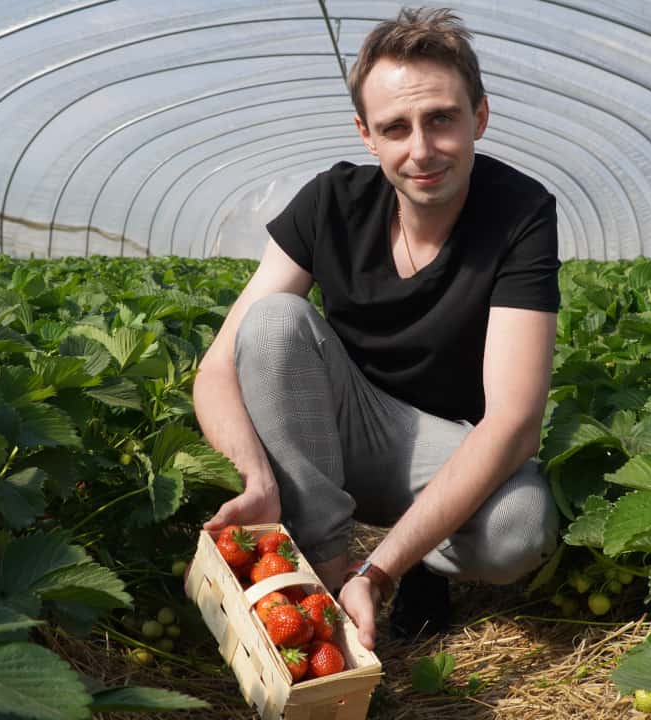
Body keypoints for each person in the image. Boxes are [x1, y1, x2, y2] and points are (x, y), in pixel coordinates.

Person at [194, 7, 560, 651]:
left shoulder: (519, 213)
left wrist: (382, 568)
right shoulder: (330, 204)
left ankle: (411, 568)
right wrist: (257, 480)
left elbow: (514, 423)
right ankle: (322, 567)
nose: (421, 150)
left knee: (520, 526)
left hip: (443, 444)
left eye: (441, 119)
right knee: (273, 320)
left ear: (479, 116)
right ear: (367, 134)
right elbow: (218, 367)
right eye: (395, 127)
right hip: (336, 431)